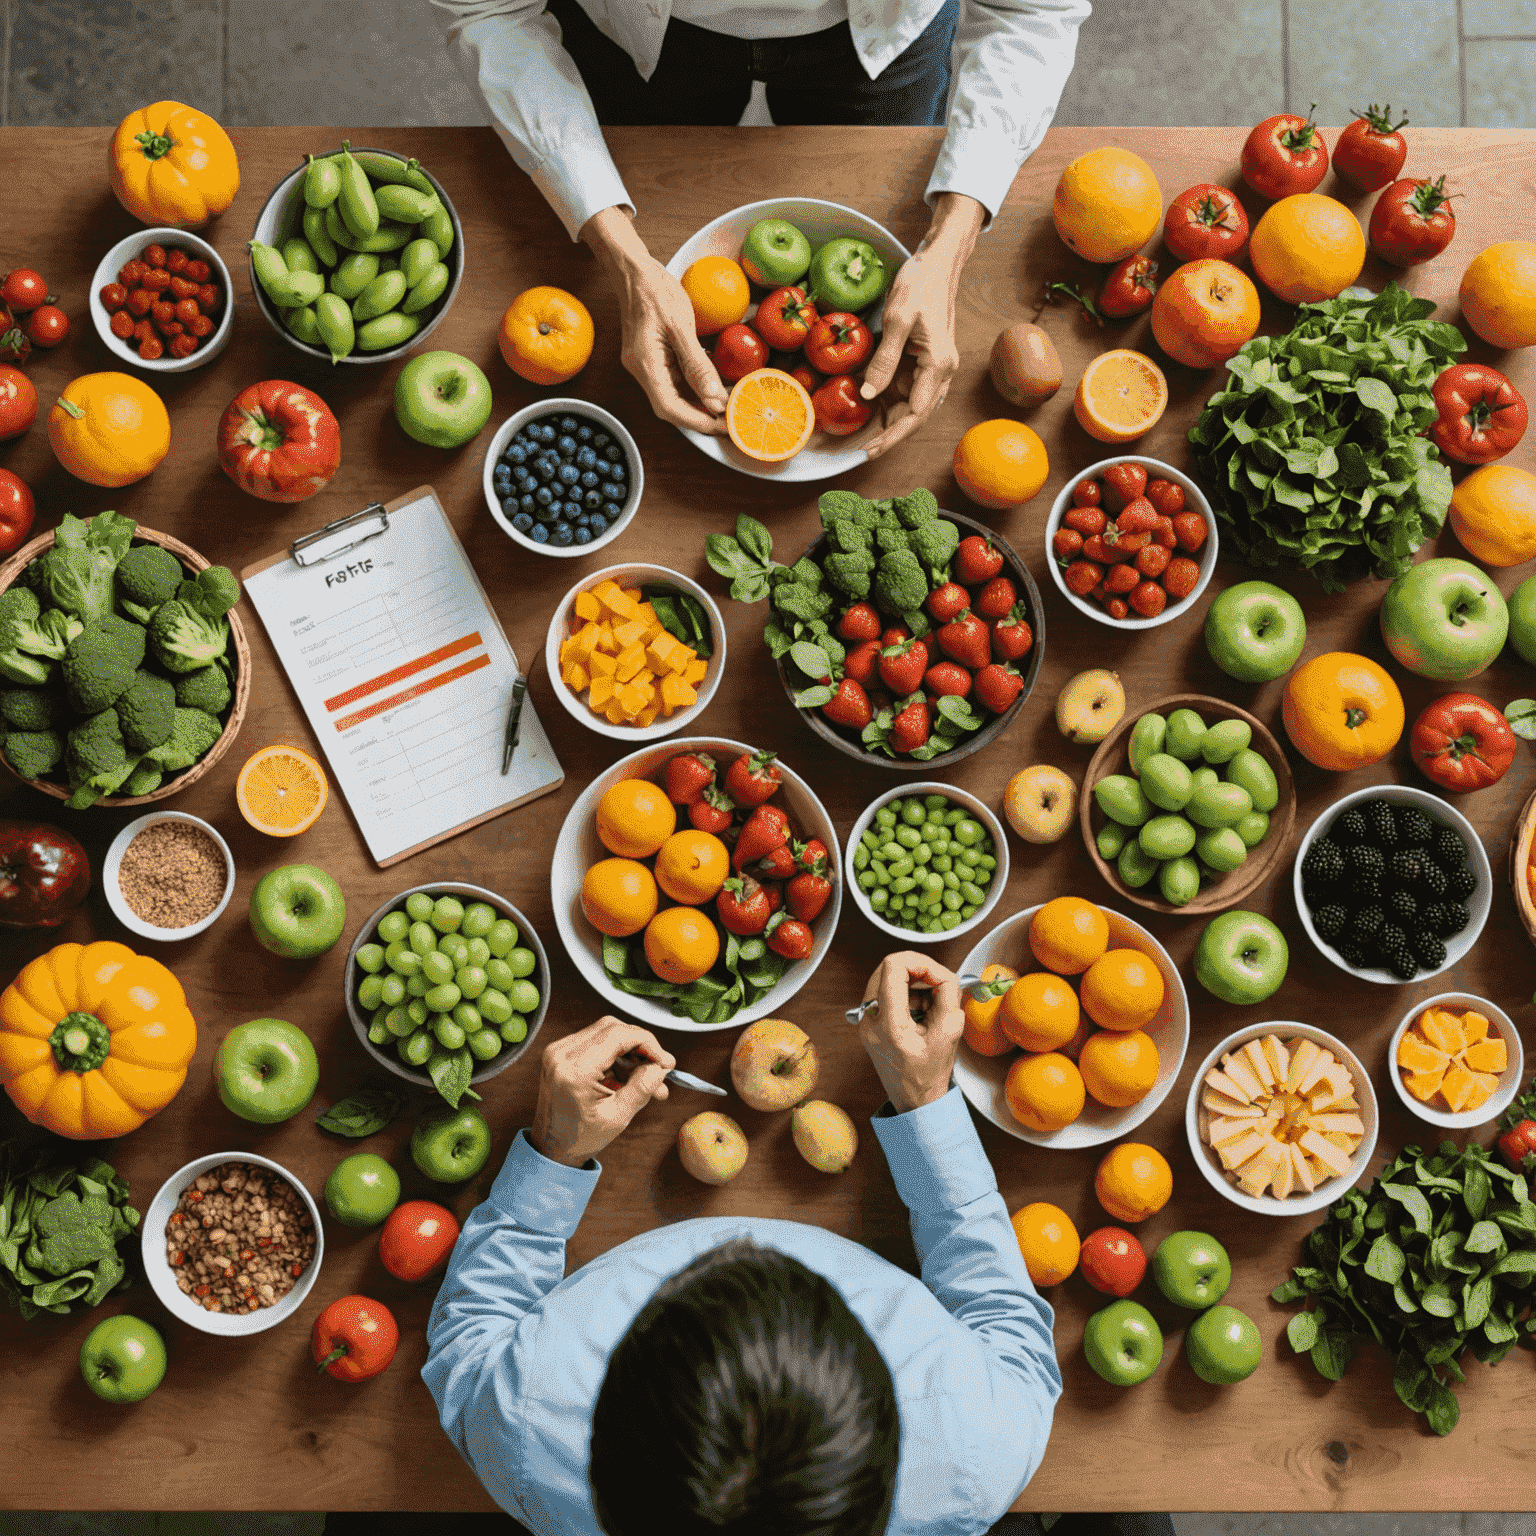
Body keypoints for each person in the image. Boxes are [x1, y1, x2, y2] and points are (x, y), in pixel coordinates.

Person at [419, 950, 1064, 1534]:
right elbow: (1010, 1328)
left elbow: (469, 1332)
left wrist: (555, 1152)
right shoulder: (978, 1452)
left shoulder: (524, 1427)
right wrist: (925, 1101)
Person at [430, 0, 1091, 457]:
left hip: (887, 25)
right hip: (638, 28)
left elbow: (1030, 11)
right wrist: (623, 255)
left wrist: (952, 239)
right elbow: (490, 9)